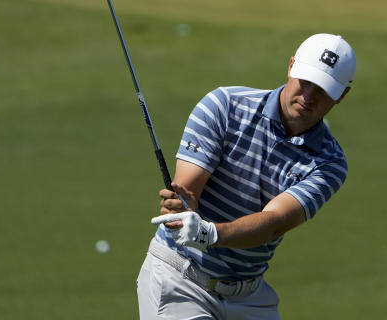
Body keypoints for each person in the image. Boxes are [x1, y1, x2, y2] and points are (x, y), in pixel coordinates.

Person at [136, 33, 357, 320]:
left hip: (250, 298)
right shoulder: (225, 105)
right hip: (181, 279)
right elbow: (188, 192)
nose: (308, 97)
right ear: (291, 67)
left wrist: (210, 233)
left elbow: (274, 223)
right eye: (305, 82)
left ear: (342, 95)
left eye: (323, 90)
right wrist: (183, 207)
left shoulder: (330, 162)